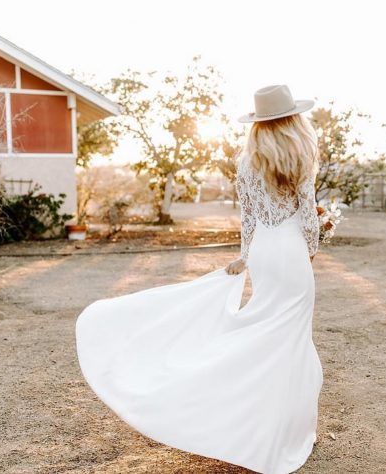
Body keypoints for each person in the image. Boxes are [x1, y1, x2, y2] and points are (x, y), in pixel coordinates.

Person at [75, 84, 323, 474]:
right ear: (293, 120)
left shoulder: (247, 163)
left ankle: (262, 422)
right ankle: (278, 430)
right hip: (290, 252)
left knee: (268, 331)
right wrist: (313, 248)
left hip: (264, 253)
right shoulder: (302, 157)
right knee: (288, 338)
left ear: (258, 125)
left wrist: (246, 257)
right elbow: (307, 216)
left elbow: (250, 219)